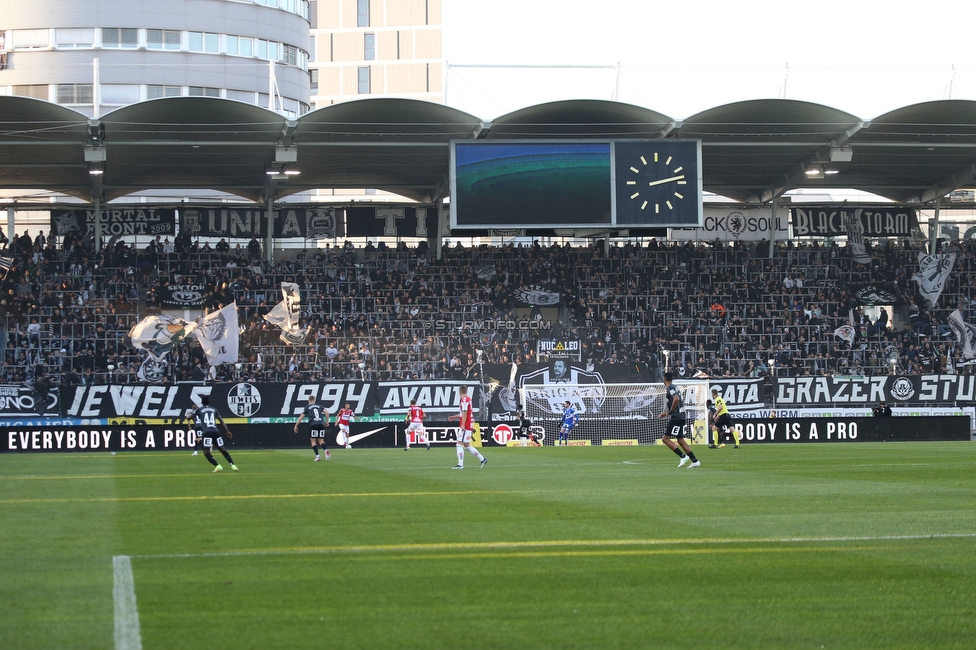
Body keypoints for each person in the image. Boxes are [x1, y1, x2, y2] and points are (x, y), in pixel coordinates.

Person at [657, 372, 700, 468]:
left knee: (665, 439)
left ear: (664, 379)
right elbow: (677, 400)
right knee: (680, 440)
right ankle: (695, 460)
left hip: (676, 417)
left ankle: (683, 456)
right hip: (681, 415)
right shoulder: (675, 387)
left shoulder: (670, 388)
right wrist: (666, 413)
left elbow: (676, 399)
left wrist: (670, 412)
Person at [186, 395, 238, 473]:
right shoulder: (214, 409)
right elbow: (221, 421)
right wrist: (227, 431)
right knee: (222, 449)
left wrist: (194, 412)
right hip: (215, 431)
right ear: (209, 402)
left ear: (202, 402)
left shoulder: (199, 410)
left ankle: (218, 465)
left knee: (206, 452)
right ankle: (233, 465)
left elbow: (188, 418)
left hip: (207, 432)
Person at [447, 385, 487, 469]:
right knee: (467, 445)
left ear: (459, 392)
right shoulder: (468, 399)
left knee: (459, 444)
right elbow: (463, 413)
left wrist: (463, 425)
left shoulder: (464, 400)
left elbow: (465, 413)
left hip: (466, 425)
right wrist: (454, 417)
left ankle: (460, 464)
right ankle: (482, 459)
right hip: (469, 424)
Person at [294, 395, 330, 461]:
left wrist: (296, 425)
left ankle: (318, 456)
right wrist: (327, 422)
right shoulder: (319, 406)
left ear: (308, 400)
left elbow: (301, 417)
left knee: (313, 441)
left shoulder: (307, 407)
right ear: (314, 400)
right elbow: (327, 412)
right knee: (321, 441)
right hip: (321, 424)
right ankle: (326, 450)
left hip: (313, 424)